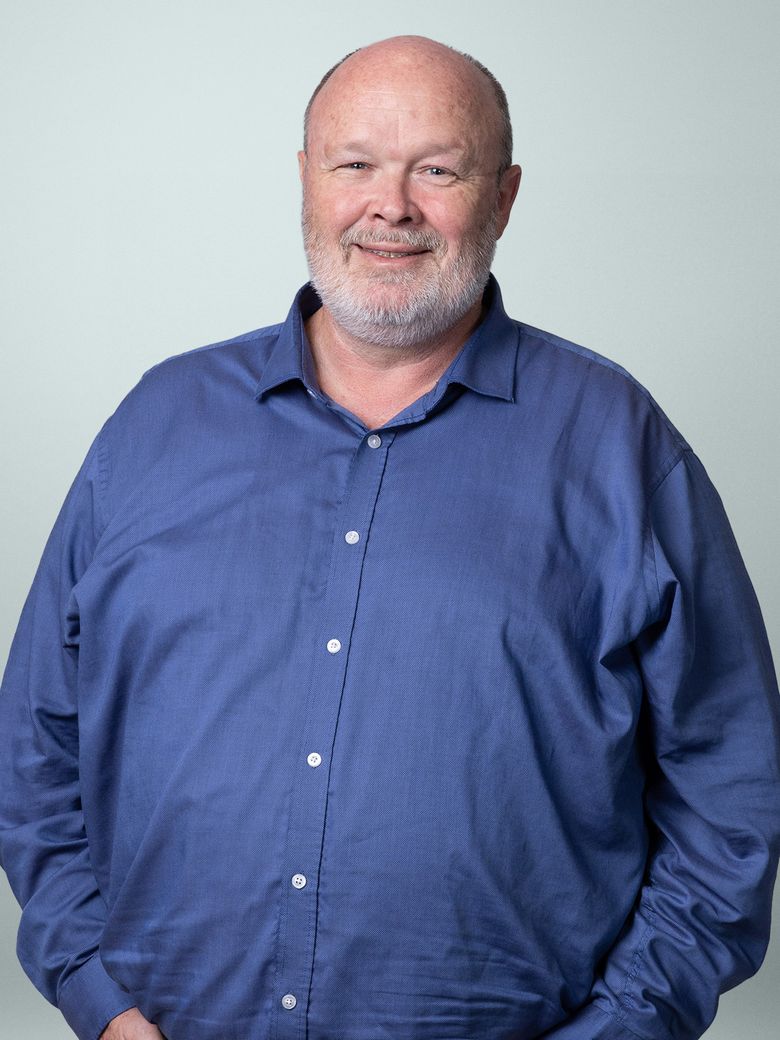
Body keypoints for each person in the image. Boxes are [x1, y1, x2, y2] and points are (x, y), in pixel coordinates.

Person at [0, 33, 778, 1040]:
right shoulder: (155, 425)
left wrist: (623, 1028)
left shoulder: (619, 445)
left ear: (504, 197)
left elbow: (732, 791)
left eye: (437, 170)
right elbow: (34, 743)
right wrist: (100, 998)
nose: (391, 206)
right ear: (305, 179)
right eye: (355, 163)